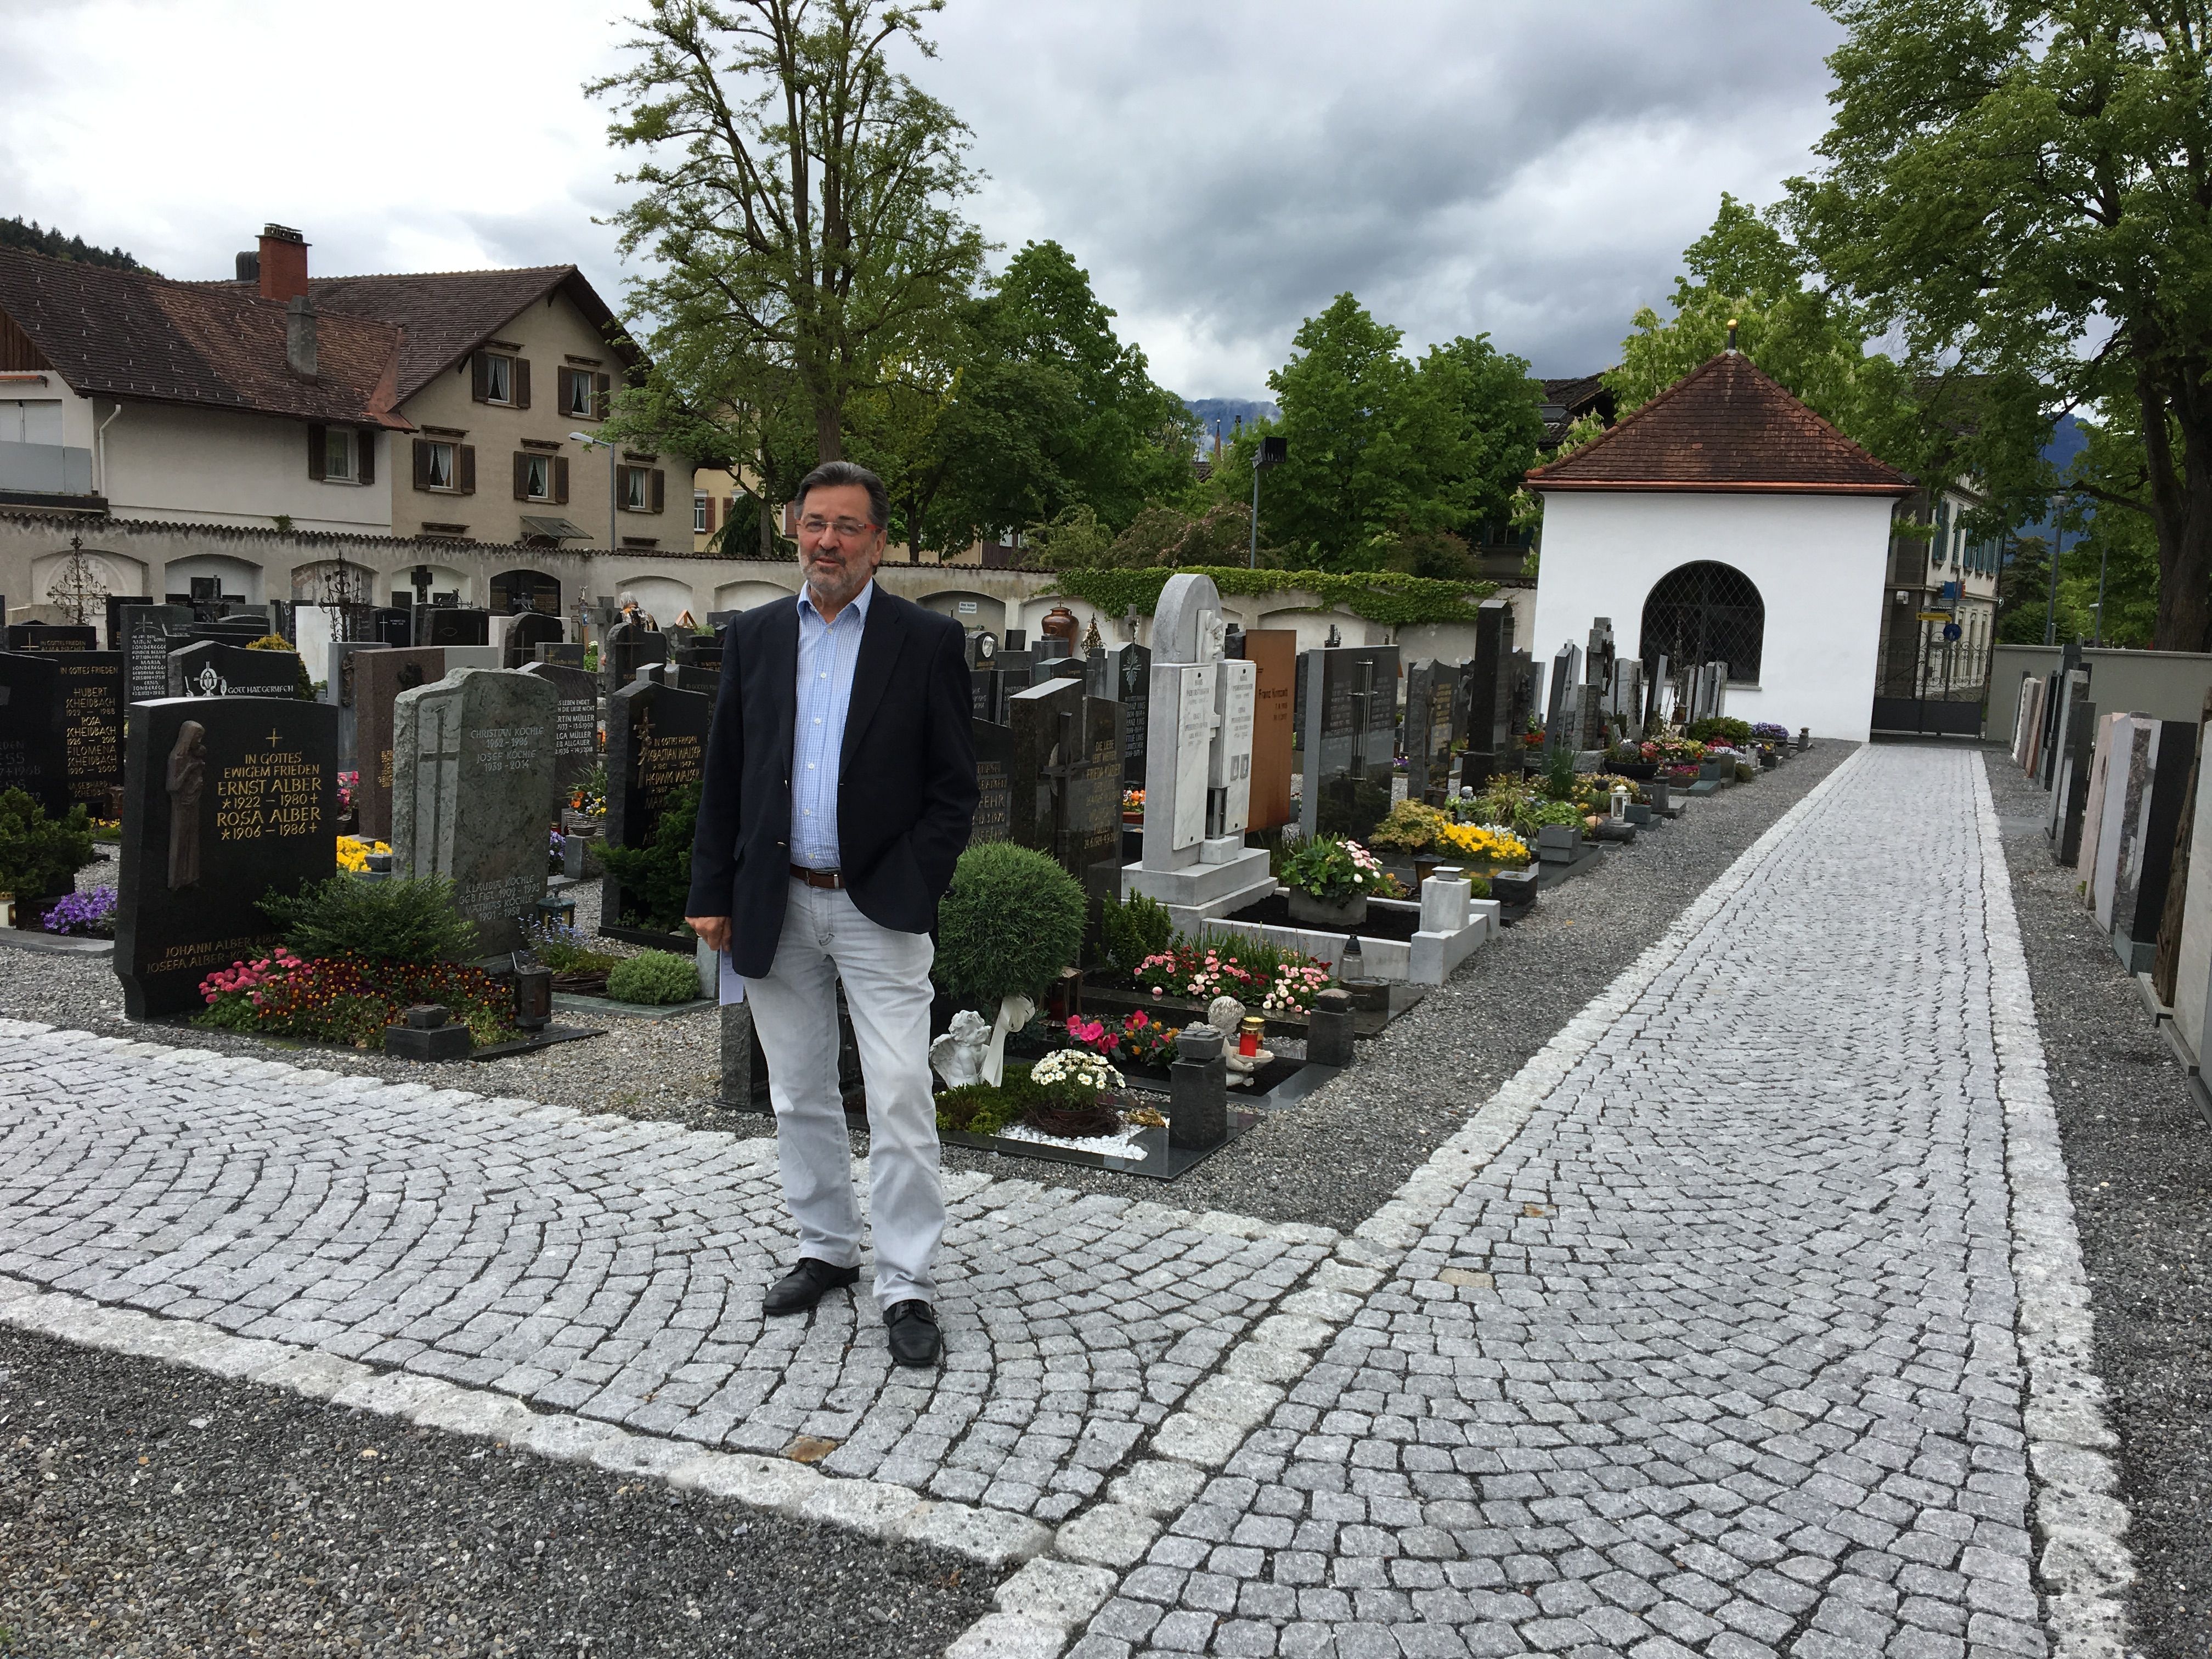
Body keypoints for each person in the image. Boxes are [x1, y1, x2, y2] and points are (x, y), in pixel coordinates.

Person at [685, 460, 978, 1367]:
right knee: (799, 1089)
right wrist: (711, 892)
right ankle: (826, 1247)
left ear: (878, 543)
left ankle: (908, 1280)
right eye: (815, 523)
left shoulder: (925, 641)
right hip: (775, 901)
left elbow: (954, 790)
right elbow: (727, 773)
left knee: (898, 1094)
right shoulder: (757, 636)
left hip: (876, 908)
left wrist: (912, 883)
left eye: (848, 526)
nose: (828, 541)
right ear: (795, 530)